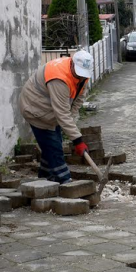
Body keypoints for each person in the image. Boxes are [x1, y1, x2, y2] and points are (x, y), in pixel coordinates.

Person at [19, 50, 94, 184]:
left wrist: (71, 123)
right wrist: (78, 140)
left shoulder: (83, 76)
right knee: (54, 145)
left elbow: (78, 100)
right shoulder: (59, 78)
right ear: (72, 63)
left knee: (53, 143)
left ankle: (44, 178)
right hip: (35, 108)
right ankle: (64, 181)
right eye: (79, 73)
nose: (82, 77)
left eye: (84, 75)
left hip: (51, 109)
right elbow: (62, 114)